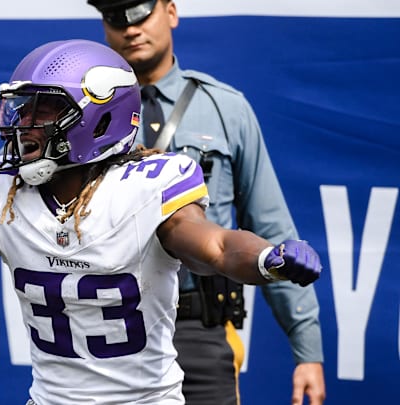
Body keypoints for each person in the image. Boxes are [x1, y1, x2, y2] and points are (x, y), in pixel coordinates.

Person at [0, 39, 322, 405]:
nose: (22, 126)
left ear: (102, 119)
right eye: (22, 109)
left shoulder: (148, 186)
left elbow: (214, 248)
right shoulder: (4, 189)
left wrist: (267, 259)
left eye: (43, 111)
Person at [86, 1, 326, 405]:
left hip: (199, 327)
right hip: (110, 327)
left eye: (141, 12)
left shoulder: (226, 109)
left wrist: (307, 349)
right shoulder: (85, 114)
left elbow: (270, 229)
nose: (130, 28)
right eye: (115, 17)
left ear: (171, 12)